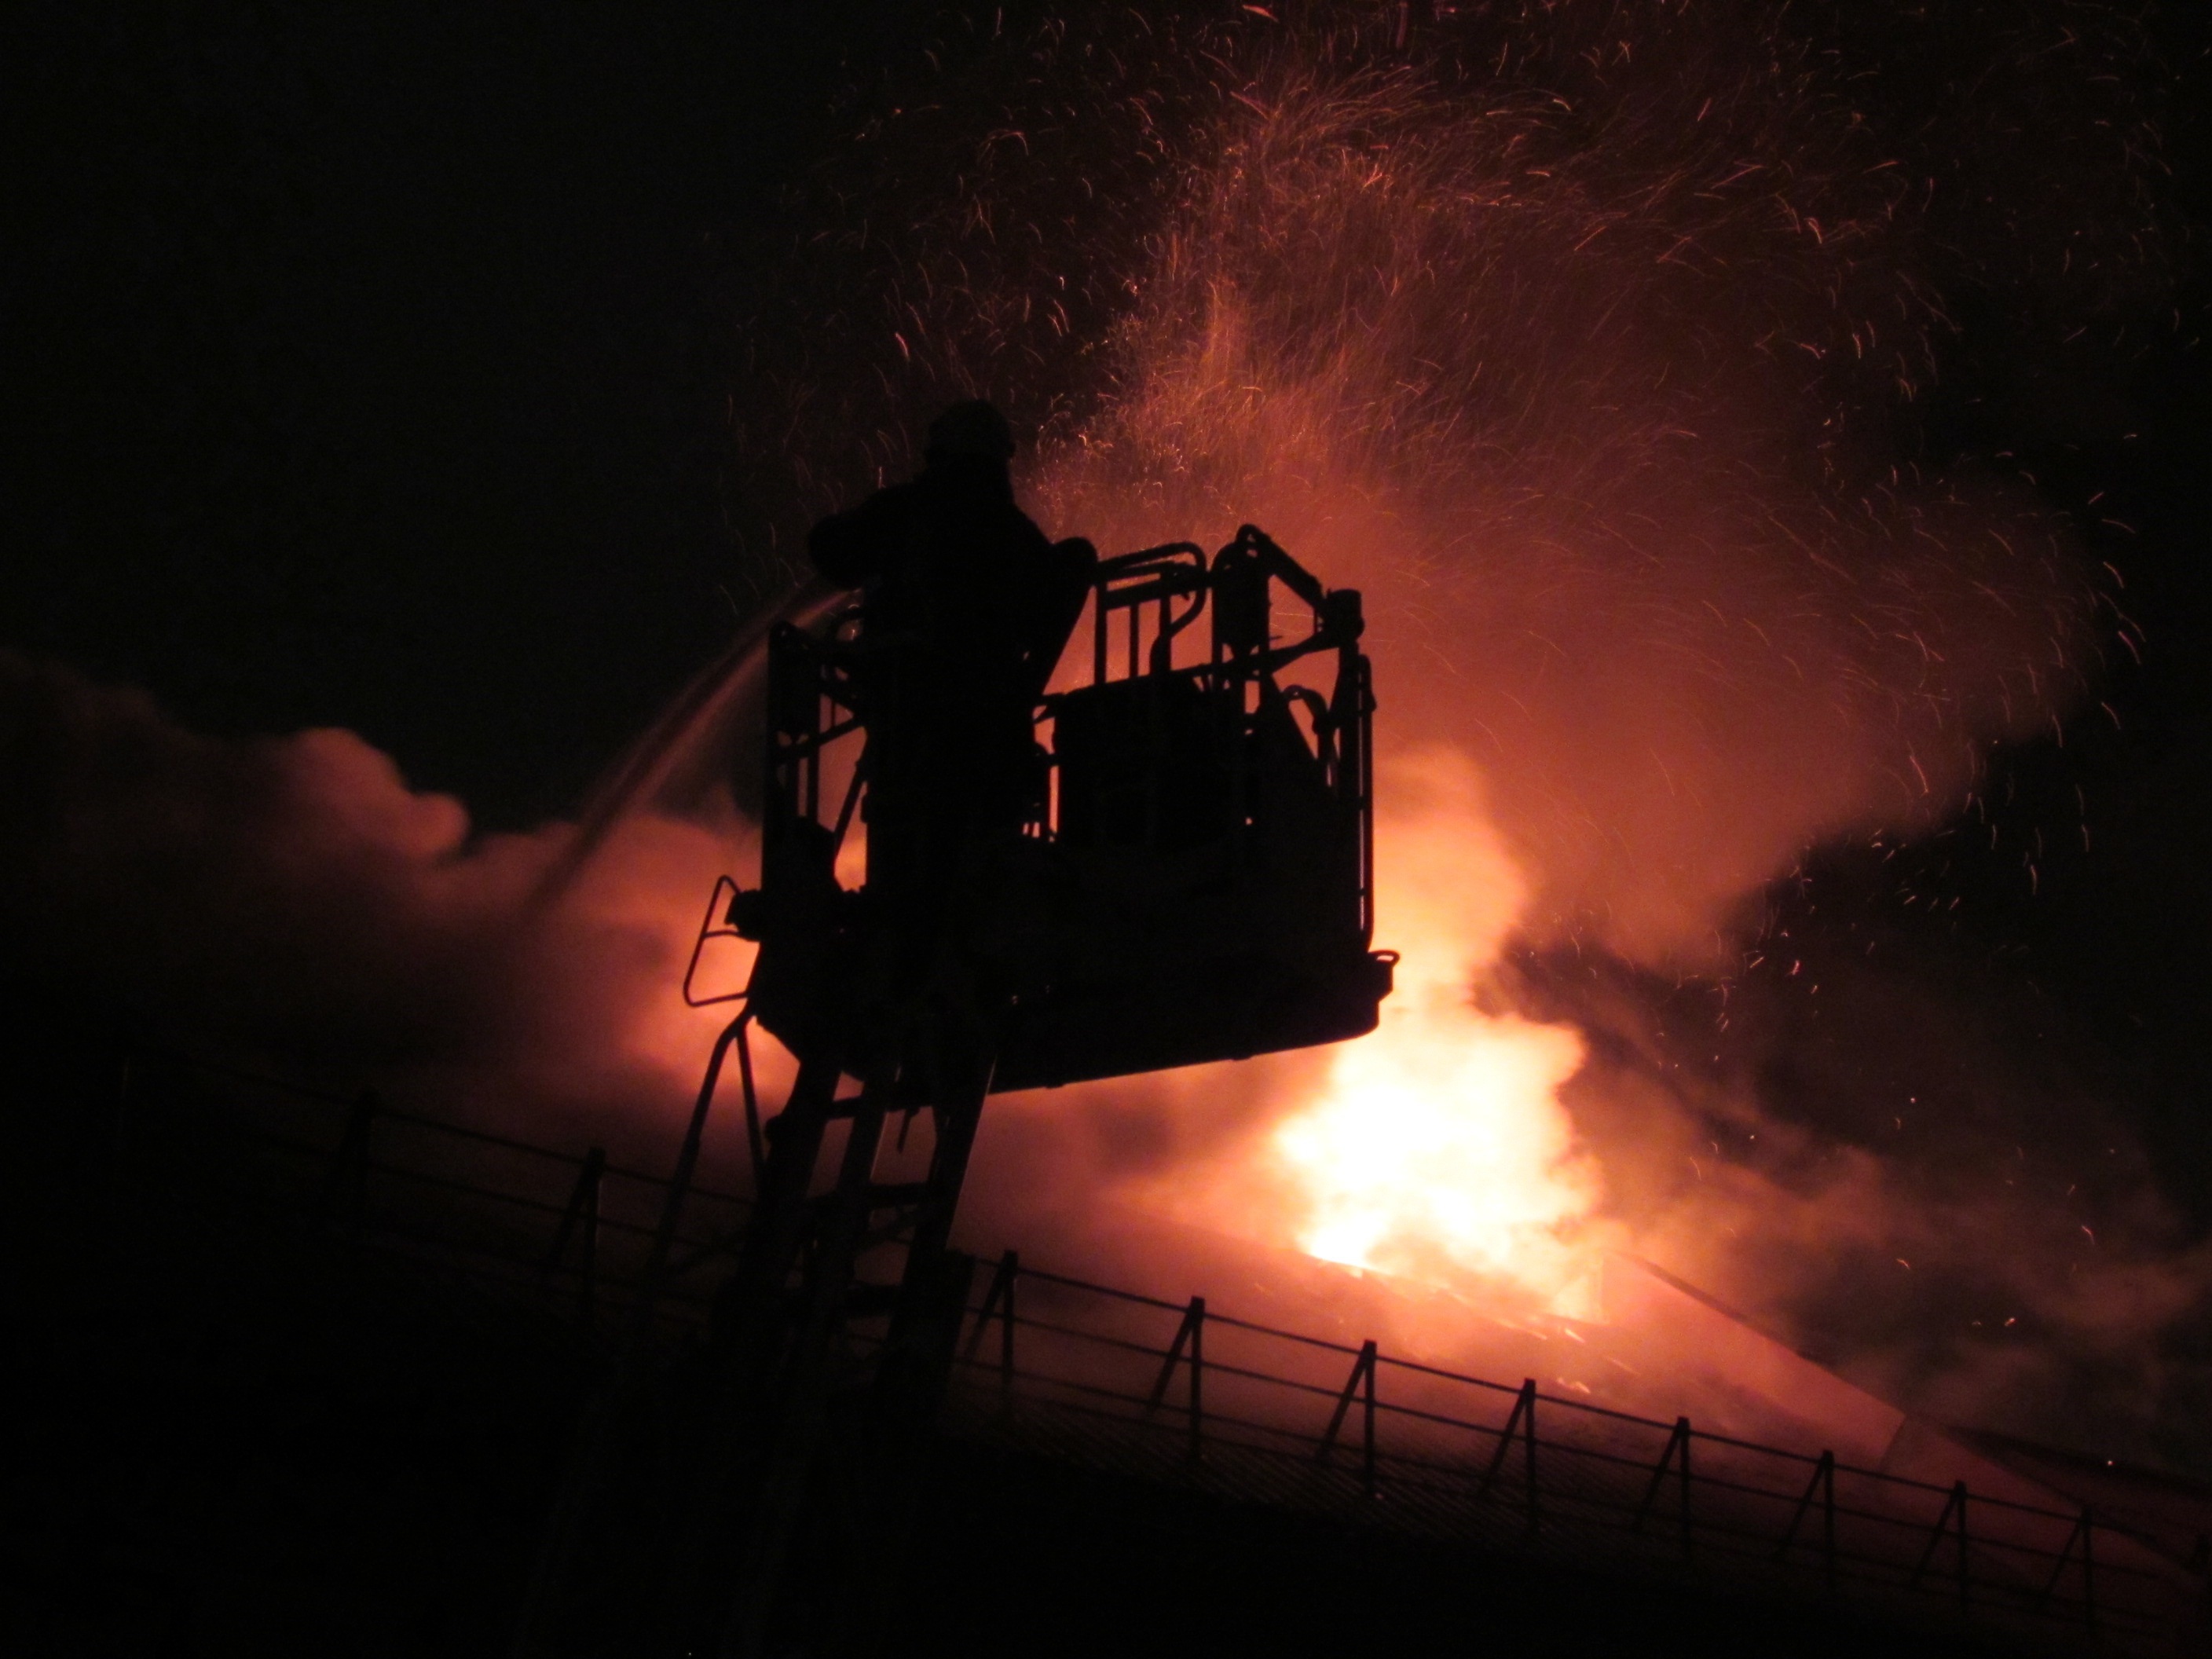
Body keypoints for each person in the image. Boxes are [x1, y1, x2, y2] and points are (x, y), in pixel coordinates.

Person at [807, 400, 1095, 977]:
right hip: (994, 741)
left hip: (913, 730)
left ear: (938, 454)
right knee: (977, 872)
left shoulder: (907, 513)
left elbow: (832, 550)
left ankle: (910, 953)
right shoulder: (1015, 535)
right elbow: (1050, 601)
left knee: (910, 864)